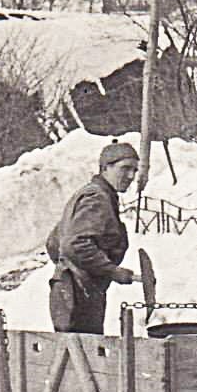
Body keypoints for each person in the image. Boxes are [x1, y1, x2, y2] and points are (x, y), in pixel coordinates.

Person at [46, 141, 140, 334]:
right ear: (106, 168)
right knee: (82, 360)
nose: (131, 176)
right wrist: (111, 271)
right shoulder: (97, 198)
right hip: (78, 296)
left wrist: (69, 269)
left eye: (134, 171)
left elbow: (54, 244)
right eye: (125, 169)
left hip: (72, 291)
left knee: (75, 360)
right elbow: (75, 244)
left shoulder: (91, 193)